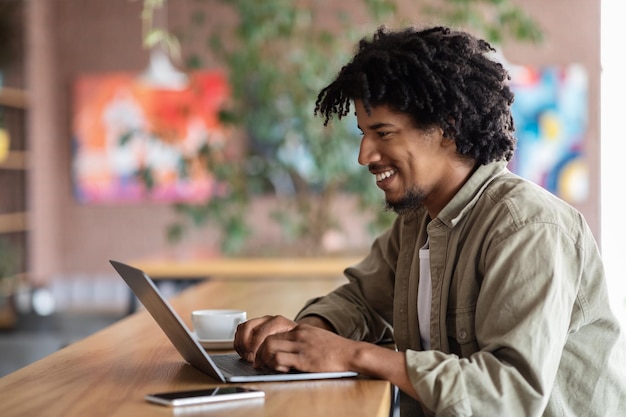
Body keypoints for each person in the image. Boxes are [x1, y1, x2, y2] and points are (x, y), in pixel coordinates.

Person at [234, 26, 626, 416]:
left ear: (448, 128)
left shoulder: (528, 228)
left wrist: (354, 355)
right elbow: (361, 300)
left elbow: (508, 396)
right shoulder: (418, 221)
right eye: (363, 133)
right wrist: (305, 335)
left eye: (382, 133)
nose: (364, 154)